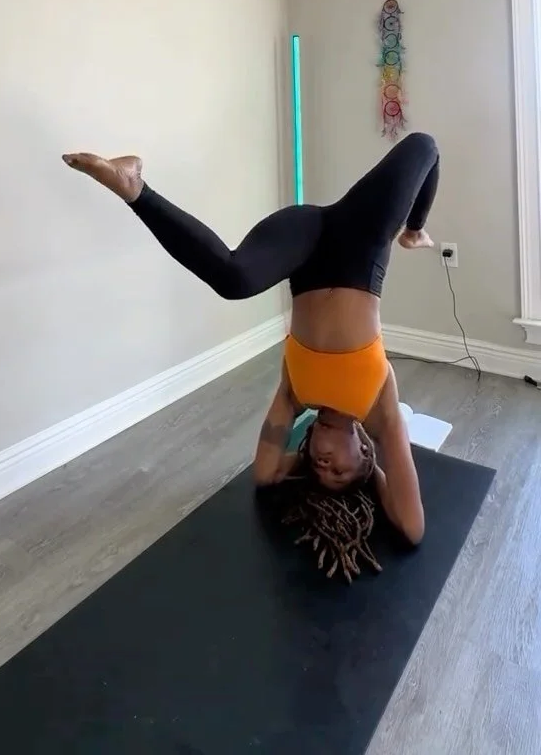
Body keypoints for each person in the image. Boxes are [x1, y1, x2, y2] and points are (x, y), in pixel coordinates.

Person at [63, 131, 439, 583]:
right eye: (340, 471)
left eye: (319, 469)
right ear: (363, 452)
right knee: (424, 145)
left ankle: (133, 186)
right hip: (361, 241)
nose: (325, 466)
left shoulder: (296, 395)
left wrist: (316, 466)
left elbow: (266, 474)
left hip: (304, 240)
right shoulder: (379, 413)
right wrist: (375, 472)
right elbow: (412, 527)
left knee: (235, 279)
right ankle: (416, 229)